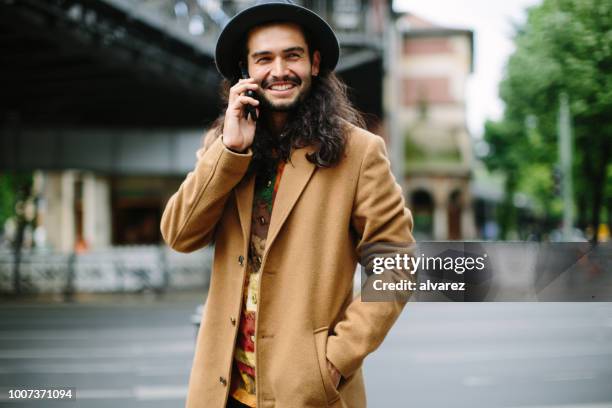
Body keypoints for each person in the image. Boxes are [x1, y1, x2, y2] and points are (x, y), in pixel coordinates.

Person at [160, 1, 415, 407]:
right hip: (223, 393)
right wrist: (229, 151)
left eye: (291, 55)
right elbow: (179, 234)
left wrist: (334, 361)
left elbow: (396, 263)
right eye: (264, 58)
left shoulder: (360, 152)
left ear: (314, 63)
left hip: (309, 393)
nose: (279, 70)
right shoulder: (222, 147)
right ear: (246, 70)